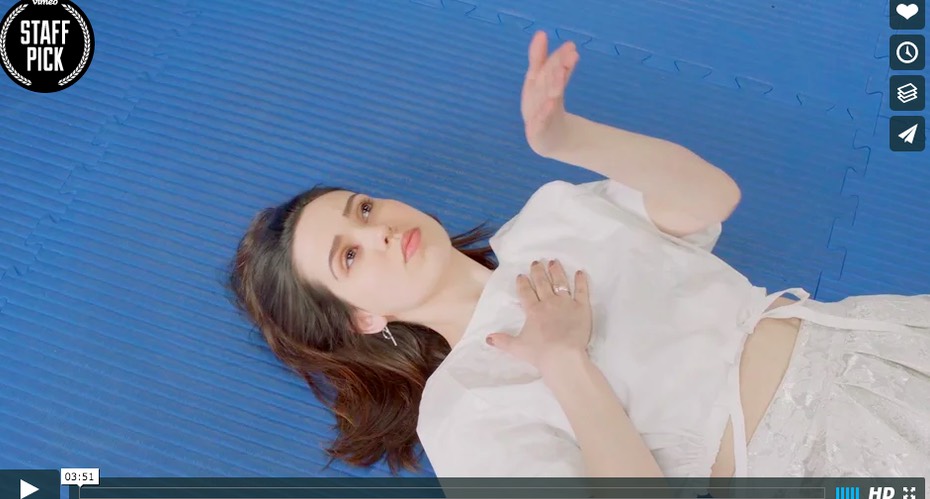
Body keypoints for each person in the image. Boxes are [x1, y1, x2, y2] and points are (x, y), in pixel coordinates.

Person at [226, 31, 930, 481]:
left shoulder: (552, 216)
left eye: (364, 209)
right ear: (361, 318)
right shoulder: (461, 407)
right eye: (349, 257)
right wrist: (565, 359)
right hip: (824, 466)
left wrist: (566, 139)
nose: (377, 230)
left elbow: (712, 197)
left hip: (879, 342)